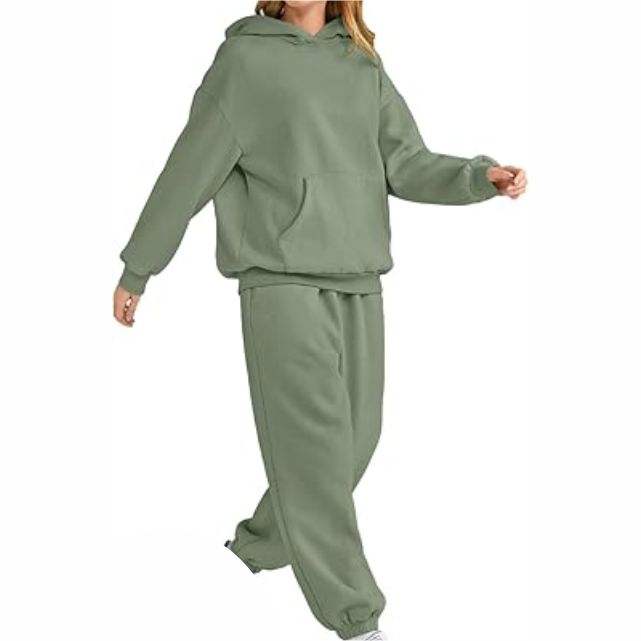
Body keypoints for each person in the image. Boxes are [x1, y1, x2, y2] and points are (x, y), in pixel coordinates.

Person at [113, 2, 527, 639]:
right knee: (313, 457)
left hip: (359, 279)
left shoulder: (361, 63)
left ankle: (259, 546)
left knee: (355, 443)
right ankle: (356, 618)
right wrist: (139, 268)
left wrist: (479, 178)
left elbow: (406, 162)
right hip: (281, 281)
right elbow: (188, 170)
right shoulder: (244, 61)